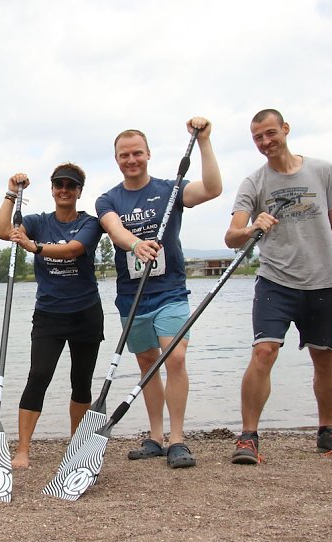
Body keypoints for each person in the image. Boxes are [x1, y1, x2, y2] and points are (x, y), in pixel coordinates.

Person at [225, 108, 332, 464]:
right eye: (258, 137)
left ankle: (326, 431)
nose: (266, 142)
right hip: (276, 281)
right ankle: (248, 437)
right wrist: (253, 227)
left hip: (323, 281)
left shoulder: (323, 171)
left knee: (324, 355)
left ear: (285, 129)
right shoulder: (254, 183)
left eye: (271, 133)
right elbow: (232, 237)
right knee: (264, 351)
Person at [96, 117, 222, 469]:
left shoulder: (171, 189)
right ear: (117, 159)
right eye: (124, 155)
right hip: (132, 295)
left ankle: (178, 440)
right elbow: (114, 229)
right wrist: (136, 245)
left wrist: (204, 142)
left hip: (170, 291)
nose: (131, 159)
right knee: (148, 364)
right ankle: (155, 436)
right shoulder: (108, 199)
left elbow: (212, 188)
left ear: (148, 154)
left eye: (137, 153)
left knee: (176, 358)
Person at [0, 163, 104, 469]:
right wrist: (10, 194)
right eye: (59, 185)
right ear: (52, 189)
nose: (65, 191)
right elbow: (3, 231)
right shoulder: (37, 221)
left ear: (79, 191)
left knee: (81, 382)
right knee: (39, 376)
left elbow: (73, 250)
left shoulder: (90, 223)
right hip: (49, 315)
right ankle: (23, 450)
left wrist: (35, 247)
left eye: (71, 186)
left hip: (85, 313)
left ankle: (77, 446)